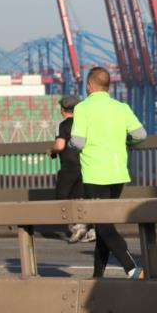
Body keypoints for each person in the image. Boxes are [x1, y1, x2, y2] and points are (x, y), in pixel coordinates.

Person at [69, 66, 147, 279]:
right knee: (103, 223)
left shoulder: (83, 108)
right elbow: (140, 134)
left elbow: (78, 141)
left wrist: (70, 145)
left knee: (103, 226)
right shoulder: (121, 107)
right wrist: (126, 141)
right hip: (118, 174)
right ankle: (97, 276)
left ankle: (131, 267)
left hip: (95, 174)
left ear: (89, 85)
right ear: (108, 86)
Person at [48, 94, 94, 244]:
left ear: (63, 110)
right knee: (80, 197)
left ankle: (76, 227)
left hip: (69, 166)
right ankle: (88, 228)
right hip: (85, 164)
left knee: (62, 197)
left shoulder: (62, 125)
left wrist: (51, 151)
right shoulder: (85, 123)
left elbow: (60, 146)